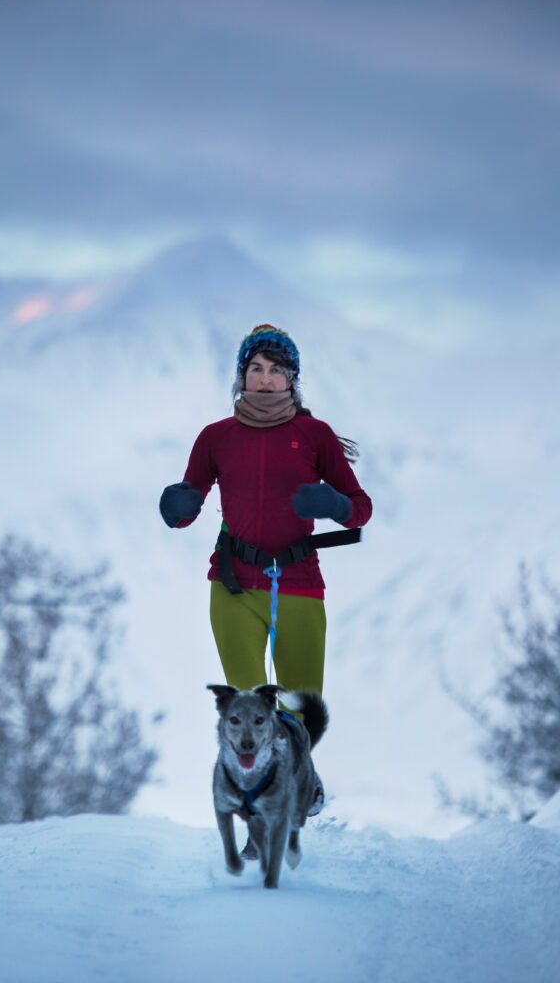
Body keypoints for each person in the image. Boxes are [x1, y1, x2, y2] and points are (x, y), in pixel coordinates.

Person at [159, 324, 372, 850]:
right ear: (242, 375)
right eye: (256, 368)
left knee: (298, 712)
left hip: (299, 583)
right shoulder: (216, 437)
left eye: (277, 370)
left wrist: (336, 506)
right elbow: (189, 502)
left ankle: (303, 782)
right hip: (234, 585)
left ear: (292, 380)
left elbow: (361, 508)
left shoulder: (315, 435)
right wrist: (178, 505)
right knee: (251, 713)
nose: (266, 378)